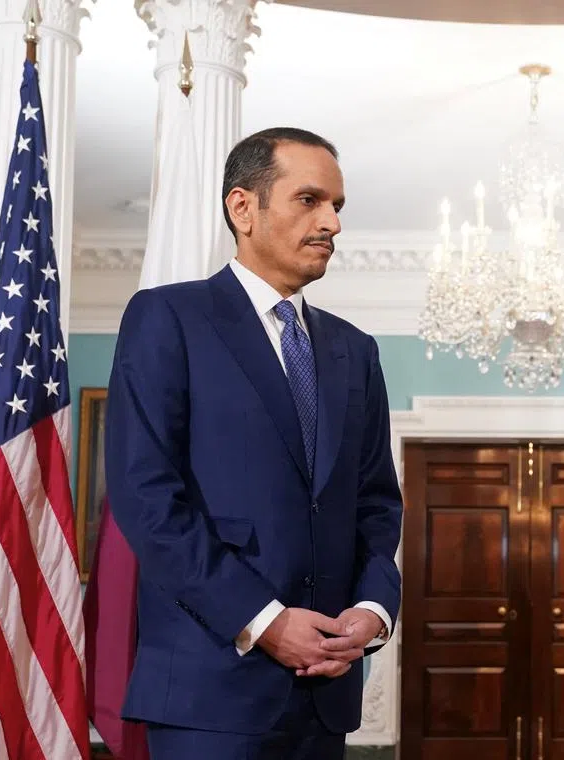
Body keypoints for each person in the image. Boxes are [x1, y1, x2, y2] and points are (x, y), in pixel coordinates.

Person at [105, 127, 402, 759]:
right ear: (244, 208)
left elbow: (377, 503)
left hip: (325, 696)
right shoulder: (167, 319)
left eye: (338, 207)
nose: (332, 223)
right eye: (310, 200)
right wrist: (264, 620)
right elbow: (146, 498)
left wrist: (374, 608)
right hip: (207, 691)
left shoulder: (357, 350)